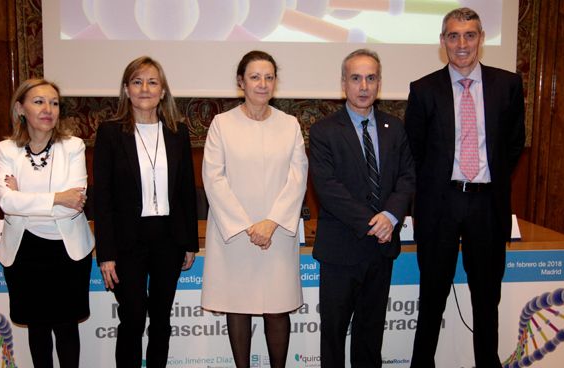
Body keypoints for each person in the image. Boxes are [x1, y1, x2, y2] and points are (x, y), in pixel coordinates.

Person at [405, 8, 525, 368]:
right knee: (432, 299)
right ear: (443, 42)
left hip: (487, 205)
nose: (462, 44)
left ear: (481, 39)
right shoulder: (424, 89)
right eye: (453, 36)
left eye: (469, 35)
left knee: (487, 300)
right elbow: (415, 150)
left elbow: (514, 144)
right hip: (439, 206)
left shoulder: (508, 85)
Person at [201, 50, 308, 368]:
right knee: (239, 307)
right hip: (235, 235)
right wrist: (248, 226)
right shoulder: (222, 124)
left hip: (276, 234)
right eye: (255, 77)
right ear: (241, 82)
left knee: (277, 308)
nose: (263, 84)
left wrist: (271, 222)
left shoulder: (289, 125)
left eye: (269, 77)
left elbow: (297, 177)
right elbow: (213, 178)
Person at [309, 49, 415, 367]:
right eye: (356, 78)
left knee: (370, 339)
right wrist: (375, 222)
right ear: (344, 83)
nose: (364, 86)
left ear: (379, 83)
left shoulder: (394, 128)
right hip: (341, 250)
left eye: (371, 78)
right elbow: (328, 190)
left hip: (380, 253)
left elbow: (408, 177)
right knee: (334, 338)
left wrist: (391, 216)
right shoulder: (324, 130)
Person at [93, 56, 198, 367]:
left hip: (169, 238)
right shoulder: (110, 133)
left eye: (152, 82)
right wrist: (106, 253)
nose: (145, 88)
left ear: (163, 91)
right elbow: (104, 197)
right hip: (127, 242)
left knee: (162, 320)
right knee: (133, 317)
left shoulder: (177, 132)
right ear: (126, 89)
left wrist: (190, 242)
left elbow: (186, 192)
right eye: (137, 82)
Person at [0, 78, 94, 368]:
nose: (48, 109)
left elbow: (74, 204)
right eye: (39, 102)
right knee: (37, 329)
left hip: (67, 251)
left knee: (66, 328)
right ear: (20, 108)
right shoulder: (6, 150)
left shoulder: (73, 146)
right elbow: (6, 203)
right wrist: (56, 197)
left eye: (54, 103)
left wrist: (23, 195)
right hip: (24, 252)